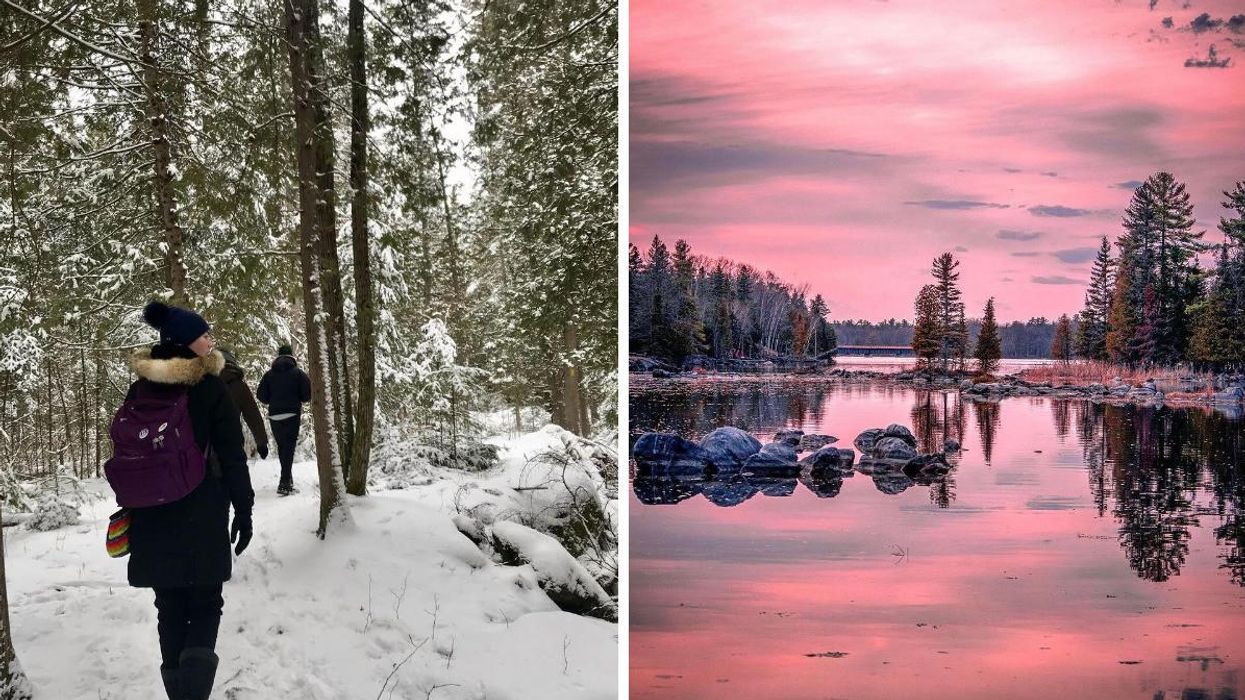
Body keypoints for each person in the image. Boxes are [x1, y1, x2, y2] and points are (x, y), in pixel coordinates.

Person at [123, 301, 254, 700]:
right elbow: (232, 453)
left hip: (150, 510)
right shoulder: (209, 387)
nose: (210, 341)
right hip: (202, 507)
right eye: (203, 335)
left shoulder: (140, 387)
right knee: (206, 600)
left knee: (170, 604)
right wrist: (244, 509)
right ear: (184, 341)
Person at [257, 344, 311, 496]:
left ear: (278, 357)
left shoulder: (269, 375)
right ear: (291, 357)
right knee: (289, 448)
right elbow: (307, 395)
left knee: (282, 447)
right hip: (292, 414)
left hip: (274, 415)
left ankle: (287, 479)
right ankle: (285, 482)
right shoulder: (298, 374)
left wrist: (273, 399)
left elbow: (261, 395)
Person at [218, 348, 270, 461]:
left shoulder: (202, 385)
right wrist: (261, 442)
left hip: (206, 444)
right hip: (232, 441)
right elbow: (253, 416)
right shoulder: (240, 387)